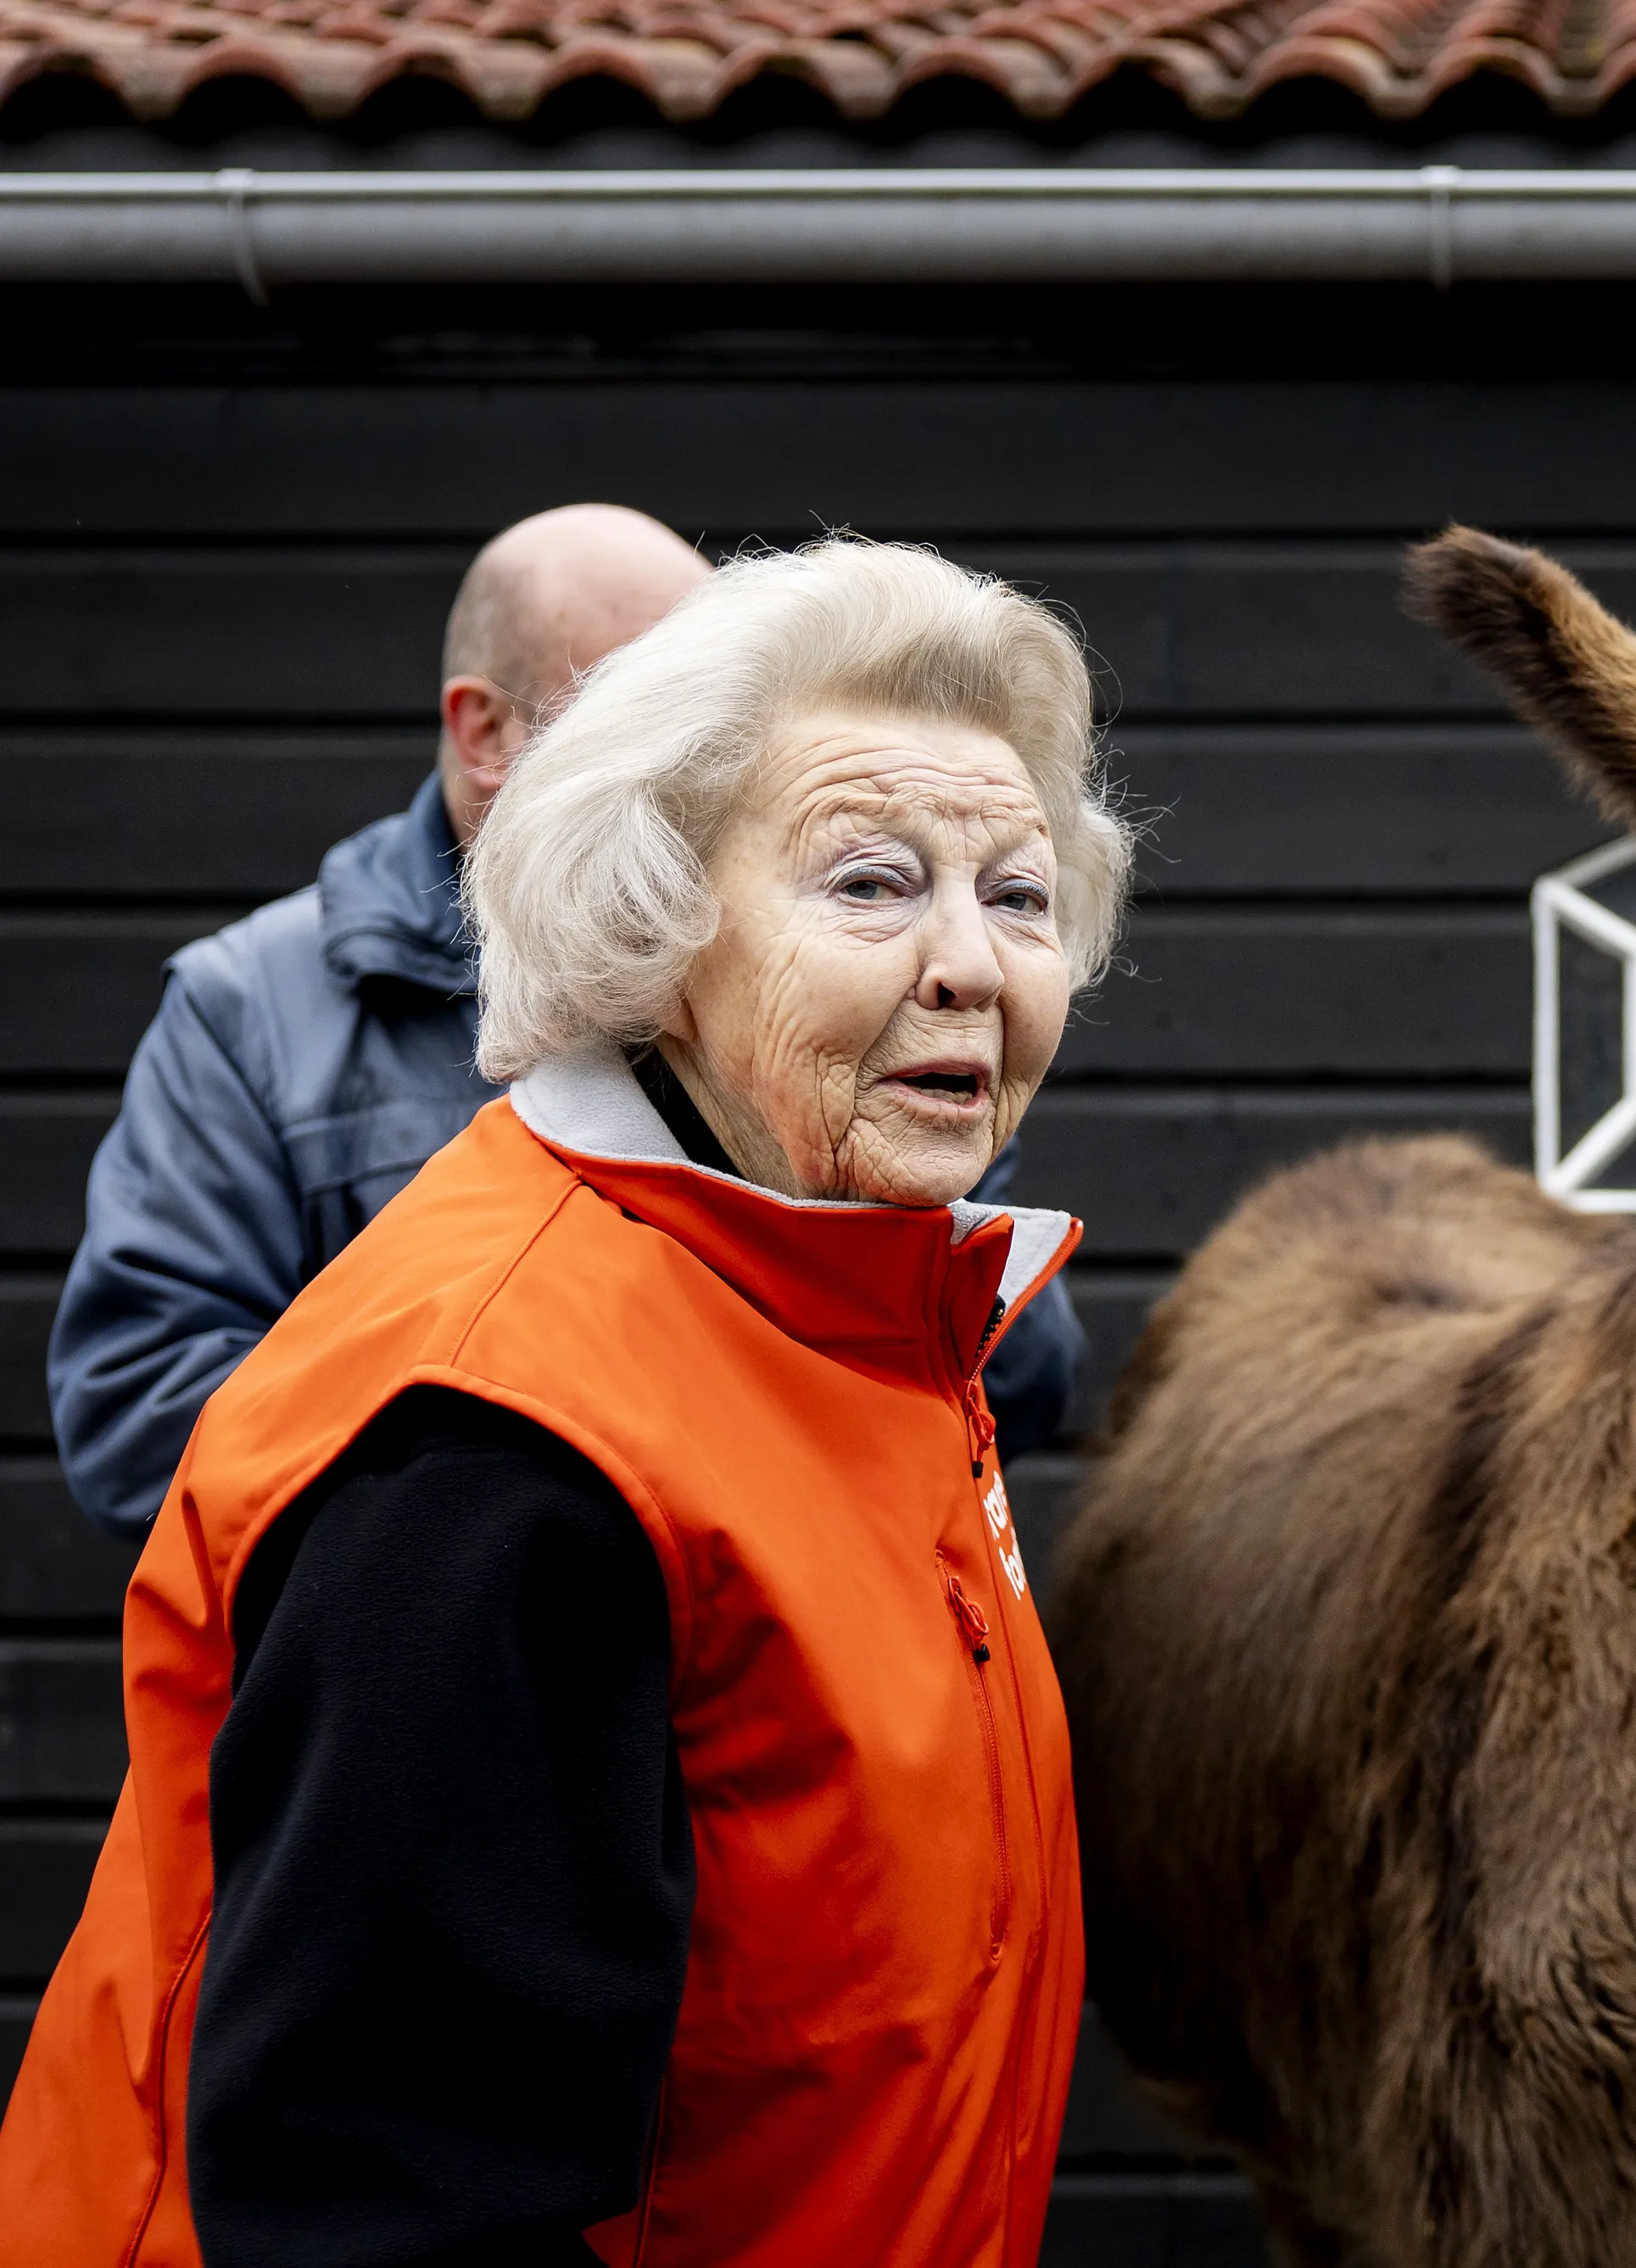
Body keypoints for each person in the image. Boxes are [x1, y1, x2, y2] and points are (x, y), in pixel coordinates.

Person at [0, 539, 1130, 2264]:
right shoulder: (498, 1443)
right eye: (874, 883)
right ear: (651, 926)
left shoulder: (854, 1298)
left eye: (1023, 893)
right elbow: (382, 2203)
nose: (976, 962)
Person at [46, 502, 1090, 1540]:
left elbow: (1023, 1368)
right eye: (640, 701)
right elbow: (137, 1404)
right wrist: (556, 1491)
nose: (714, 751)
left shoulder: (835, 987)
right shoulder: (252, 1007)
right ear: (483, 728)